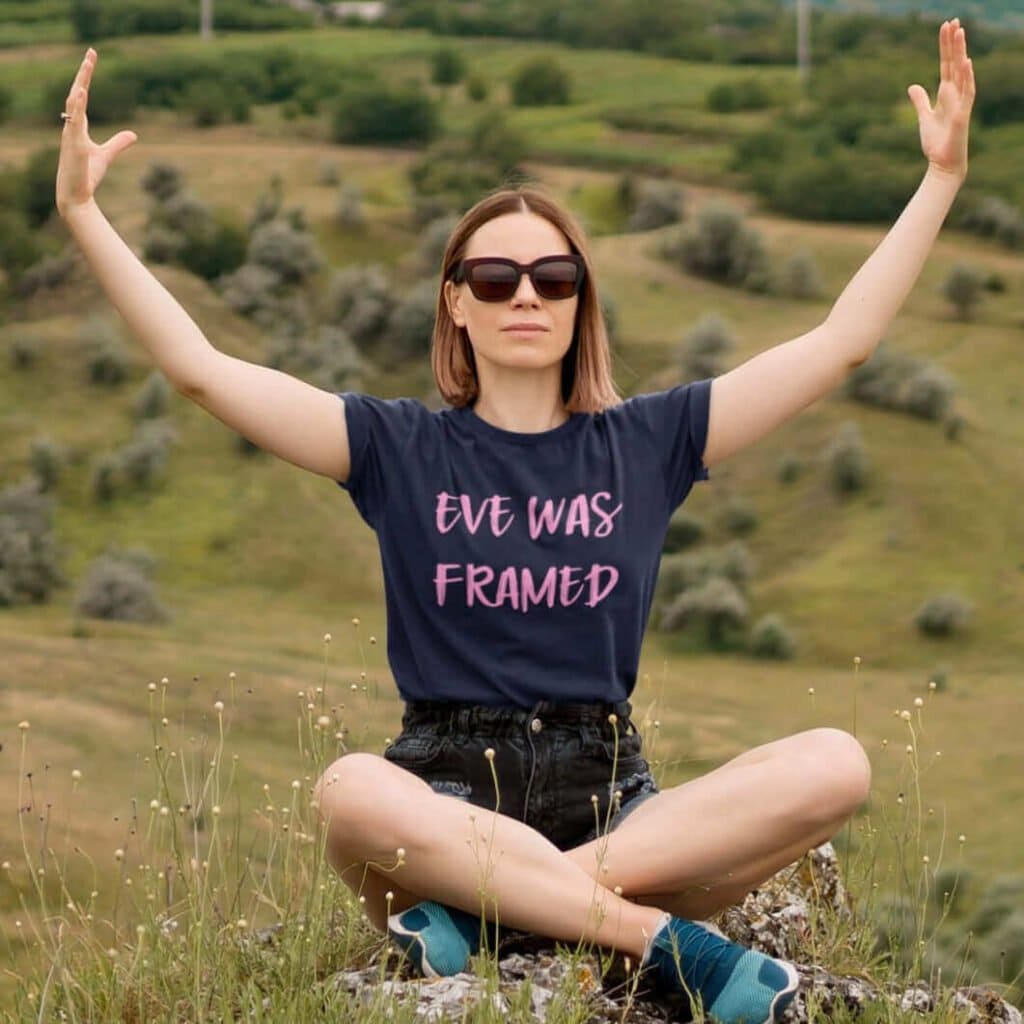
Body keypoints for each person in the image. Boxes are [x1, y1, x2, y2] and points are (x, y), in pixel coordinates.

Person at [54, 18, 974, 1023]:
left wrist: (937, 182)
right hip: (438, 798)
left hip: (613, 803)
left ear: (582, 302)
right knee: (352, 791)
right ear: (455, 303)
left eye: (555, 277)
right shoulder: (394, 447)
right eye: (494, 278)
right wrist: (85, 214)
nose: (524, 295)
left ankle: (503, 917)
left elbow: (840, 343)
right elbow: (200, 372)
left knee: (835, 761)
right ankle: (657, 943)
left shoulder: (651, 440)